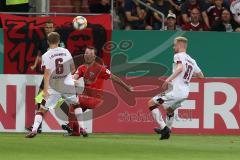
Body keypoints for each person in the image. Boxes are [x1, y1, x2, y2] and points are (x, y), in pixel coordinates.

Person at [62, 46, 132, 136]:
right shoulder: (81, 68)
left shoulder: (100, 68)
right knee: (75, 111)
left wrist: (126, 87)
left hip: (95, 99)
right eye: (86, 53)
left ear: (94, 57)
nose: (88, 55)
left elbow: (114, 77)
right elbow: (74, 77)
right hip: (85, 98)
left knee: (74, 102)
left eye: (91, 54)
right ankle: (75, 131)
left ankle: (71, 126)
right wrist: (69, 81)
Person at [147, 36, 204, 140]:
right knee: (169, 110)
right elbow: (201, 76)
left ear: (179, 45)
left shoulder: (178, 55)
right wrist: (189, 74)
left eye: (174, 45)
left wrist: (168, 79)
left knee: (151, 103)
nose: (173, 47)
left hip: (176, 91)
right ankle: (168, 130)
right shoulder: (192, 60)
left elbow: (180, 68)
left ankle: (164, 129)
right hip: (184, 94)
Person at [25, 32, 79, 138]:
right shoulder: (66, 51)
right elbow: (73, 69)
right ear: (59, 41)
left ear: (48, 42)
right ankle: (78, 129)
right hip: (67, 84)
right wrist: (70, 79)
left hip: (53, 86)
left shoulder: (46, 55)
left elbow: (47, 74)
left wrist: (45, 91)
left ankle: (35, 129)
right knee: (75, 105)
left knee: (42, 109)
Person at [26, 20, 65, 133]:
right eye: (47, 27)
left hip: (57, 75)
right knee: (40, 98)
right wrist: (34, 65)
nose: (48, 29)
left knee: (58, 100)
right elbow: (39, 55)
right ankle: (38, 125)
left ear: (54, 28)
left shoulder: (59, 41)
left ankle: (72, 124)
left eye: (50, 27)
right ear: (44, 28)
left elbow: (64, 55)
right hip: (49, 74)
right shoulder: (43, 42)